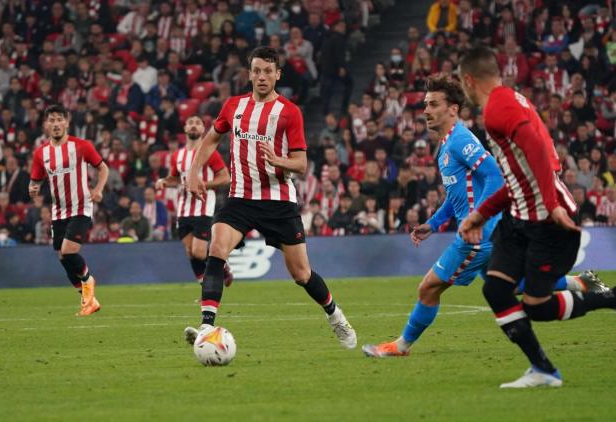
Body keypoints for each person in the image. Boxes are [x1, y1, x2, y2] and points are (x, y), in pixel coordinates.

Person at [363, 74, 608, 360]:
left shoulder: (461, 140)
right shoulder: (446, 145)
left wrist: (477, 219)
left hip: (476, 237)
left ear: (453, 108)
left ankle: (400, 346)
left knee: (428, 287)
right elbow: (456, 196)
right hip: (487, 232)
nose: (426, 110)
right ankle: (580, 283)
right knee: (514, 286)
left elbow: (495, 176)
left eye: (434, 104)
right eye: (426, 105)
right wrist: (433, 223)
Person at [458, 47, 616, 388]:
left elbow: (539, 150)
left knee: (538, 307)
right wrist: (480, 215)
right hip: (520, 218)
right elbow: (519, 175)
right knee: (497, 290)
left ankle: (608, 298)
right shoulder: (511, 100)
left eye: (463, 84)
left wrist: (551, 203)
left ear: (469, 80)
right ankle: (543, 370)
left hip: (547, 223)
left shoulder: (497, 108)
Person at [183, 47, 356, 348]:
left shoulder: (289, 112)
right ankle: (206, 327)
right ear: (249, 74)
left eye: (268, 71)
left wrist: (279, 161)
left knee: (301, 274)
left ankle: (335, 315)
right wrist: (195, 172)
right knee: (216, 250)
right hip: (240, 198)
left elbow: (300, 164)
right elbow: (211, 139)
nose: (262, 77)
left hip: (279, 202)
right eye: (256, 71)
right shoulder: (234, 106)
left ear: (278, 74)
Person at [29, 104, 109, 317]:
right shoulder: (41, 153)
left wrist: (98, 189)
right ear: (46, 125)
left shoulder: (81, 146)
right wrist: (33, 188)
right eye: (51, 120)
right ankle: (88, 300)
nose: (55, 124)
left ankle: (88, 282)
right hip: (58, 211)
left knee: (68, 251)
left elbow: (103, 168)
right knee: (62, 257)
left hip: (80, 206)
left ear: (66, 122)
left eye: (59, 119)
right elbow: (35, 180)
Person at [156, 115, 233, 285]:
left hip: (203, 207)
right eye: (190, 123)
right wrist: (163, 182)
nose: (193, 126)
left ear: (203, 130)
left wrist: (204, 184)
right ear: (184, 129)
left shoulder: (209, 152)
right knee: (190, 252)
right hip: (183, 208)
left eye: (198, 123)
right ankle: (205, 287)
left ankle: (222, 263)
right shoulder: (177, 155)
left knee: (199, 252)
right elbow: (175, 178)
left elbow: (225, 178)